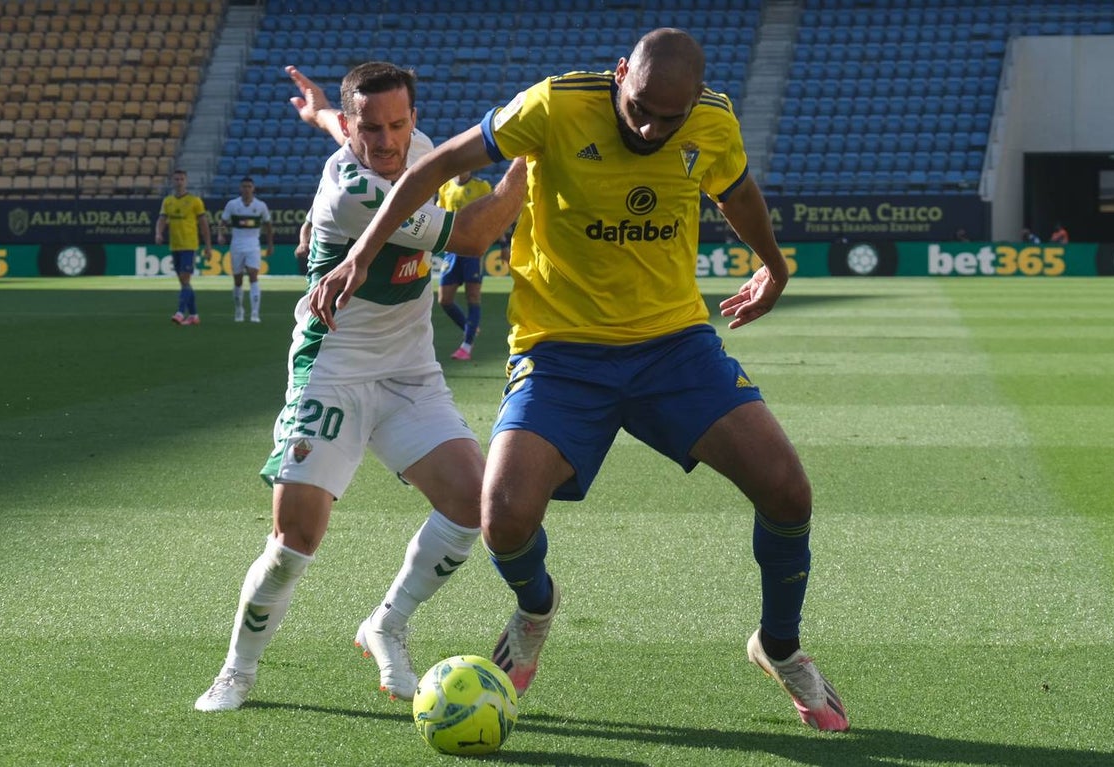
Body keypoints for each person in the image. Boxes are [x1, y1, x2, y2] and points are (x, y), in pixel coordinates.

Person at [307, 28, 849, 732]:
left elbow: (736, 192)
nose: (653, 127)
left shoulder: (712, 120)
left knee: (787, 489)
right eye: (641, 108)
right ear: (620, 74)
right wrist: (360, 255)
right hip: (559, 351)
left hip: (673, 346)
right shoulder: (554, 105)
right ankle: (536, 607)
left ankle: (778, 645)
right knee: (501, 515)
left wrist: (774, 265)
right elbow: (434, 166)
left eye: (669, 117)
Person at [193, 61, 526, 712]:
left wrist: (317, 110)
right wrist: (530, 163)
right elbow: (474, 233)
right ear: (355, 131)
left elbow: (337, 124)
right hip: (332, 369)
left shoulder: (415, 150)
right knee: (296, 540)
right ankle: (237, 669)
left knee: (472, 504)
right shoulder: (353, 190)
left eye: (399, 123)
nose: (388, 141)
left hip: (409, 370)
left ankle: (388, 622)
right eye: (370, 129)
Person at [435, 170, 502, 360]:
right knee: (444, 300)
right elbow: (440, 215)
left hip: (473, 250)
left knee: (473, 296)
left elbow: (493, 217)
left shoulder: (482, 187)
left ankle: (467, 345)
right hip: (452, 251)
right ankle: (470, 327)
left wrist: (502, 243)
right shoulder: (445, 187)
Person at [156, 168, 211, 325]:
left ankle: (180, 312)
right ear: (172, 181)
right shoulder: (168, 201)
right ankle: (194, 315)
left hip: (189, 245)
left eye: (181, 179)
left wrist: (208, 246)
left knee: (185, 278)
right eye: (176, 179)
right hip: (175, 245)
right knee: (184, 282)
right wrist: (158, 233)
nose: (179, 182)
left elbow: (204, 224)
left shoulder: (195, 201)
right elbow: (161, 219)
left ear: (186, 181)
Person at [218, 176, 274, 323]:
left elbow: (268, 226)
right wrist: (220, 234)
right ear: (240, 188)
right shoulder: (232, 205)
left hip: (253, 245)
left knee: (253, 275)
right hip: (236, 244)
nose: (246, 189)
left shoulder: (261, 206)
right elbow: (222, 222)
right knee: (237, 280)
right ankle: (239, 310)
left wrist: (270, 245)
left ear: (253, 188)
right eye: (244, 186)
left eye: (249, 186)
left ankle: (255, 313)